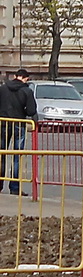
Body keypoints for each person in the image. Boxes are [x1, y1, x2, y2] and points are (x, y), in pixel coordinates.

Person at [0, 68, 38, 196]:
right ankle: (14, 187)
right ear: (26, 78)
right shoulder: (27, 91)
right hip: (19, 124)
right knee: (17, 156)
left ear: (15, 76)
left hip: (3, 123)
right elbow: (31, 110)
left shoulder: (3, 88)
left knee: (1, 154)